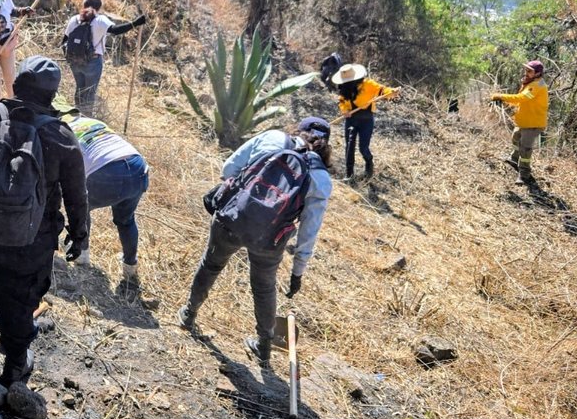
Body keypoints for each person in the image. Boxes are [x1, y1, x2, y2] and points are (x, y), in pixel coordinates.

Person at [0, 56, 89, 386]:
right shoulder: (61, 137)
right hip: (30, 241)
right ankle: (14, 368)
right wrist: (79, 234)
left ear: (16, 84)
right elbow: (76, 195)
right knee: (21, 298)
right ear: (53, 96)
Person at [177, 117, 333, 364]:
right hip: (270, 239)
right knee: (263, 286)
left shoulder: (273, 138)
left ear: (299, 130)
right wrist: (297, 272)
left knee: (211, 265)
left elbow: (228, 169)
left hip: (232, 218)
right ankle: (263, 344)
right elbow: (309, 230)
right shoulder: (321, 178)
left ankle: (189, 314)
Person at [54, 97, 149, 284]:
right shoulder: (93, 122)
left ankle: (82, 253)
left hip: (107, 170)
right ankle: (130, 266)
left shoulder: (62, 132)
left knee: (81, 208)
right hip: (137, 166)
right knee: (126, 220)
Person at [61, 0, 147, 115]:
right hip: (92, 62)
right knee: (89, 93)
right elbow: (115, 30)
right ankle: (86, 118)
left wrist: (70, 58)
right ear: (99, 7)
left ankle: (76, 116)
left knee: (79, 90)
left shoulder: (74, 19)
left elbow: (64, 41)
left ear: (84, 5)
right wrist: (135, 23)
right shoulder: (100, 20)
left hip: (74, 61)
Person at [331, 63, 399, 179]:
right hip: (351, 120)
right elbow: (342, 102)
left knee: (363, 148)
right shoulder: (344, 88)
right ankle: (349, 175)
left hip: (366, 121)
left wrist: (391, 91)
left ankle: (369, 165)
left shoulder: (368, 84)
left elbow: (382, 90)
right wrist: (345, 111)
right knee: (349, 146)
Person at [491, 60, 548, 185]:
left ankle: (524, 174)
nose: (526, 72)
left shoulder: (537, 85)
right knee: (515, 138)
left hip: (533, 124)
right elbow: (519, 101)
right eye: (526, 70)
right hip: (524, 122)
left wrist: (500, 96)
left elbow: (522, 98)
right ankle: (514, 159)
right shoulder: (531, 83)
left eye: (529, 71)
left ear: (537, 73)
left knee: (525, 148)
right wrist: (505, 102)